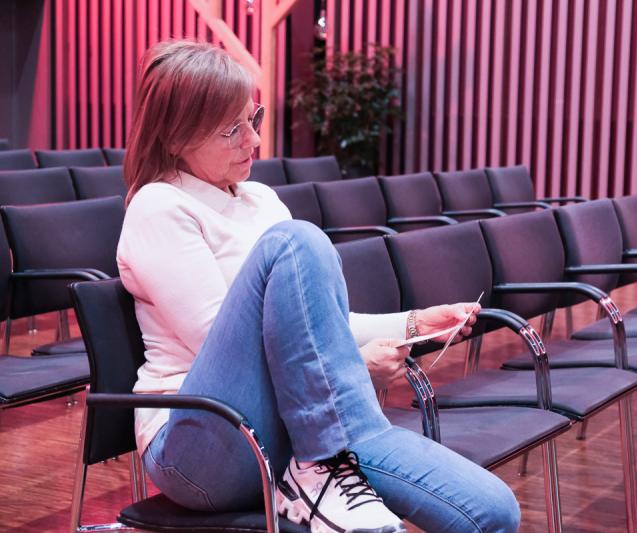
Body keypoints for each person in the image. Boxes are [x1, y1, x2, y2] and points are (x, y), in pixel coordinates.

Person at [117, 39, 520, 533]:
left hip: (297, 428)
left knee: (493, 512)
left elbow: (307, 331)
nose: (254, 140)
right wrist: (355, 369)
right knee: (297, 241)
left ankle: (320, 465)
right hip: (198, 442)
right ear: (176, 138)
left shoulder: (260, 199)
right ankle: (317, 469)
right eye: (232, 130)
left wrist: (414, 324)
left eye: (253, 119)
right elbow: (218, 346)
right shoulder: (159, 206)